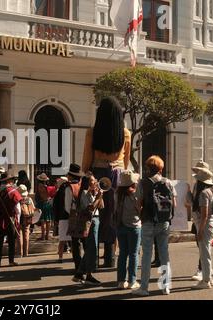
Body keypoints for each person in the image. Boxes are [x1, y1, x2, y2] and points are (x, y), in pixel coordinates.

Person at [82, 96, 131, 268]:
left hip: (97, 174)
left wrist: (88, 173)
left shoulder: (92, 132)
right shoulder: (125, 133)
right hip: (116, 176)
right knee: (112, 215)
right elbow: (126, 161)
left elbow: (86, 161)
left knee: (93, 215)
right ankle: (110, 256)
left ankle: (92, 259)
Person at [132, 156, 176, 297]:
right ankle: (166, 286)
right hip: (164, 222)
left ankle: (144, 288)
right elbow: (173, 204)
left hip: (148, 222)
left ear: (147, 168)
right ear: (160, 168)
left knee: (146, 255)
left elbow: (138, 203)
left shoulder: (143, 183)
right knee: (164, 254)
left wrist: (142, 214)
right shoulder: (168, 182)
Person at [70, 172, 103, 285]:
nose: (95, 182)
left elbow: (101, 206)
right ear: (88, 183)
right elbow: (91, 208)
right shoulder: (84, 193)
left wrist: (99, 195)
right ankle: (88, 274)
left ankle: (80, 273)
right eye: (93, 181)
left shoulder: (92, 192)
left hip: (96, 219)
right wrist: (97, 197)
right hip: (90, 221)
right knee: (92, 247)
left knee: (91, 248)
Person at [191, 163, 213, 289]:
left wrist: (200, 231)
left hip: (206, 225)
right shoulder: (212, 189)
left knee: (205, 253)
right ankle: (209, 278)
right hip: (212, 223)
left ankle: (206, 280)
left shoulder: (203, 193)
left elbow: (204, 215)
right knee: (206, 252)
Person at [115, 170, 142, 290]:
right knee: (133, 254)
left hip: (120, 226)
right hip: (134, 226)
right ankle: (132, 280)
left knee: (122, 254)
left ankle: (121, 281)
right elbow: (139, 210)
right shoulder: (135, 195)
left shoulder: (118, 194)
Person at [0, 172, 22, 267]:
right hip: (10, 219)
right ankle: (11, 261)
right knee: (11, 241)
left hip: (0, 220)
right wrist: (17, 219)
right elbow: (17, 209)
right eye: (13, 180)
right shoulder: (13, 192)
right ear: (9, 181)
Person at [57, 164, 82, 263]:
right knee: (83, 242)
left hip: (73, 216)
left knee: (75, 242)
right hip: (84, 217)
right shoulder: (82, 186)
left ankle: (78, 266)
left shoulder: (69, 188)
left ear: (71, 176)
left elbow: (67, 207)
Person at [17, 184, 35, 257]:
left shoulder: (18, 199)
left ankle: (19, 253)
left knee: (19, 235)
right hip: (27, 218)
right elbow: (33, 208)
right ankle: (26, 253)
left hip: (19, 218)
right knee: (26, 235)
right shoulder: (29, 199)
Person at [35, 173, 53, 241]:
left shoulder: (39, 186)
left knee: (43, 221)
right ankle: (47, 236)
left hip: (42, 204)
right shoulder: (47, 187)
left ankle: (43, 236)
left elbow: (39, 196)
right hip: (48, 203)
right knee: (48, 220)